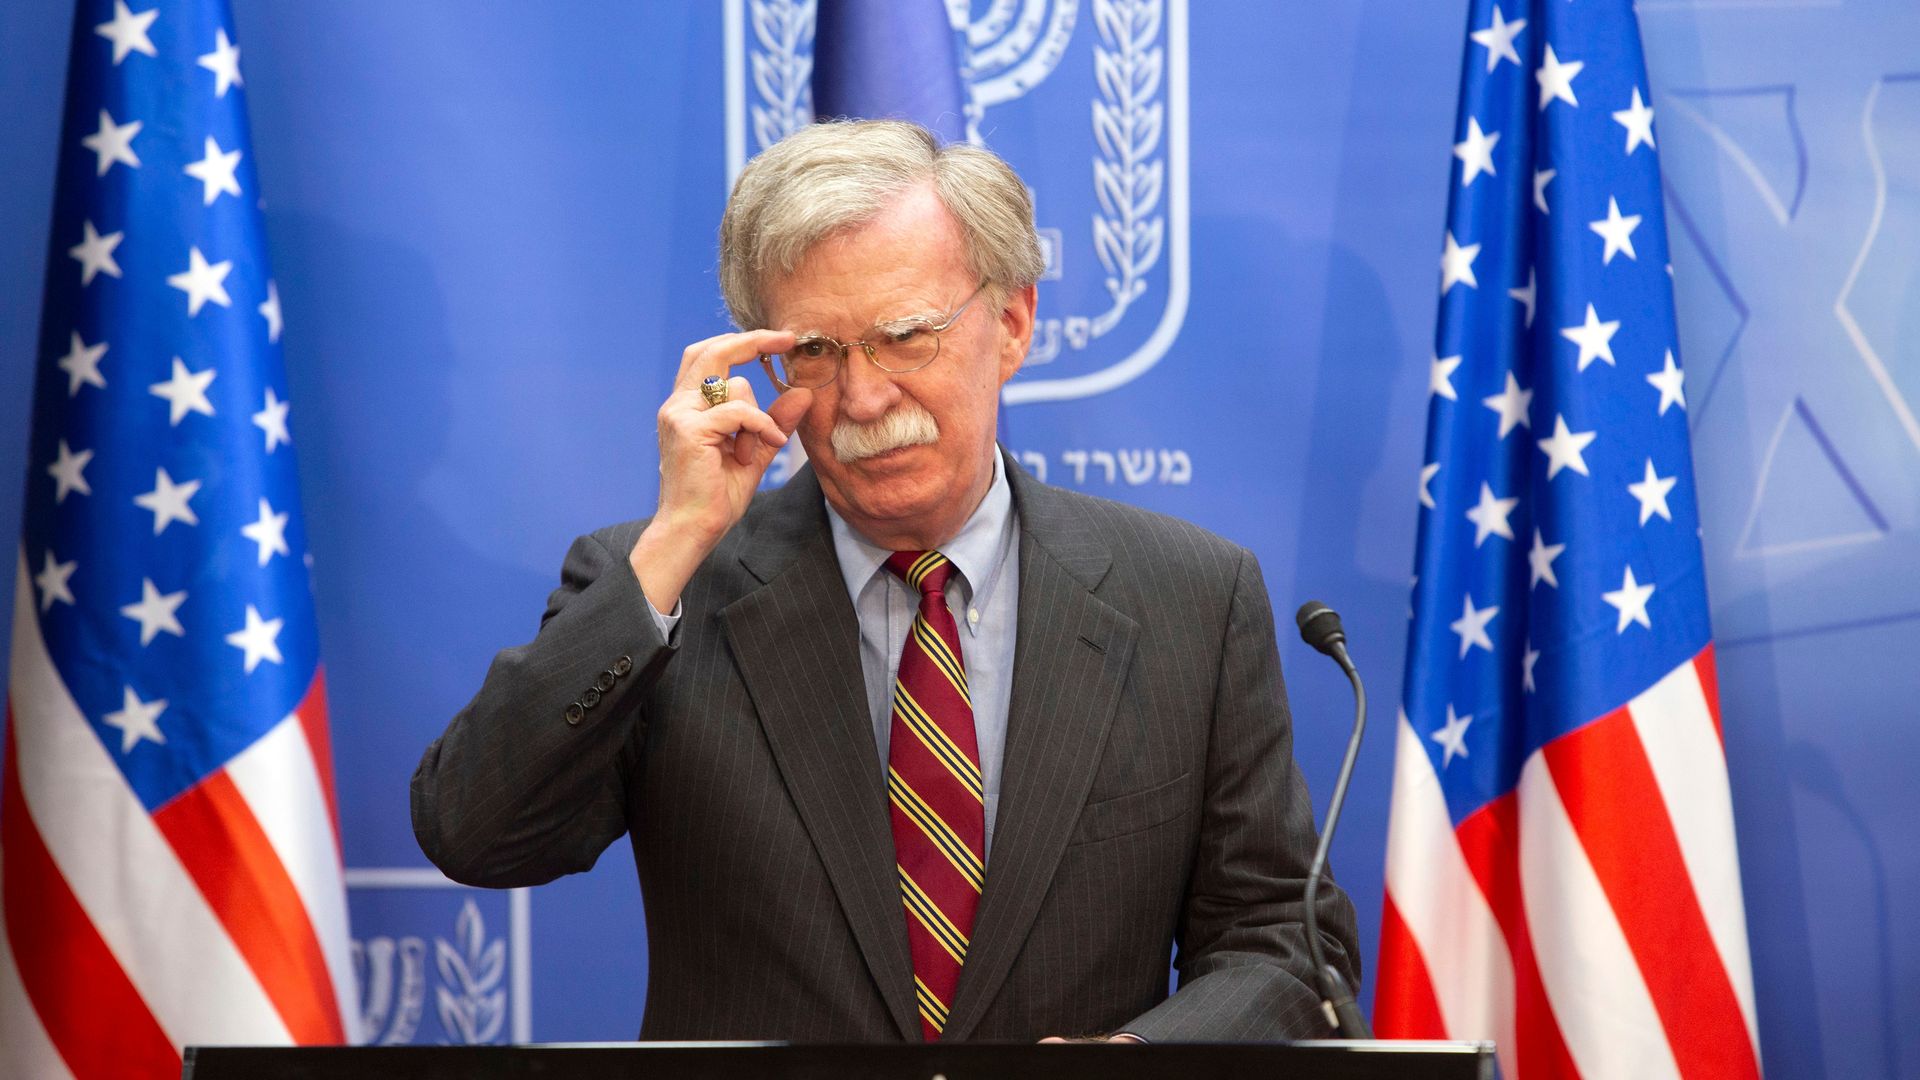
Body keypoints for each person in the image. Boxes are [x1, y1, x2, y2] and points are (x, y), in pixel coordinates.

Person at [411, 119, 1359, 1043]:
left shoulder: (1192, 594)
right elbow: (478, 834)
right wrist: (678, 539)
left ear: (1015, 321)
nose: (863, 398)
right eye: (815, 352)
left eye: (906, 335)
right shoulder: (665, 587)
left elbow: (1283, 946)